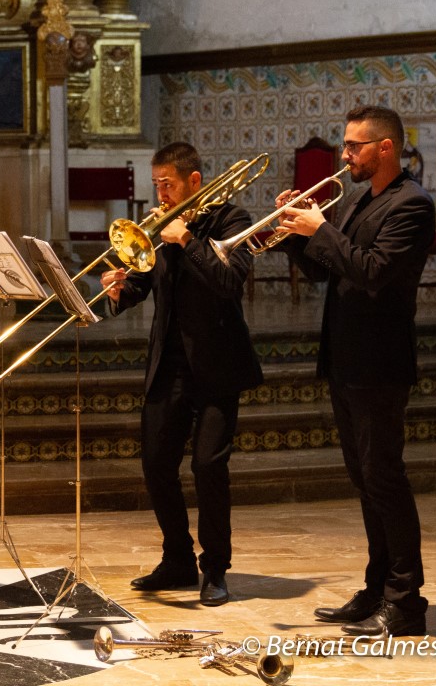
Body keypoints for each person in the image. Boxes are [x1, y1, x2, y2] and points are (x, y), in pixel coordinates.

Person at [275, 105, 434, 636]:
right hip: (346, 360)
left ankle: (406, 602)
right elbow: (326, 272)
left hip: (380, 365)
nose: (344, 156)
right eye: (345, 146)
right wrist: (297, 231)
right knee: (366, 482)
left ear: (384, 147)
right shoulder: (367, 200)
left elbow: (371, 273)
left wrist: (321, 226)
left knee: (385, 480)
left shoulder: (412, 206)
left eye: (353, 147)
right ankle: (376, 589)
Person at [99, 142, 263, 607]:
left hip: (217, 363)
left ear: (194, 181)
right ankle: (177, 558)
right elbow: (143, 282)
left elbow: (230, 282)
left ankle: (215, 569)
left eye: (167, 184)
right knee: (155, 461)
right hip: (168, 362)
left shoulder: (232, 219)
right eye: (157, 186)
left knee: (208, 465)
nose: (161, 194)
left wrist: (187, 241)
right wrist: (119, 289)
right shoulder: (159, 226)